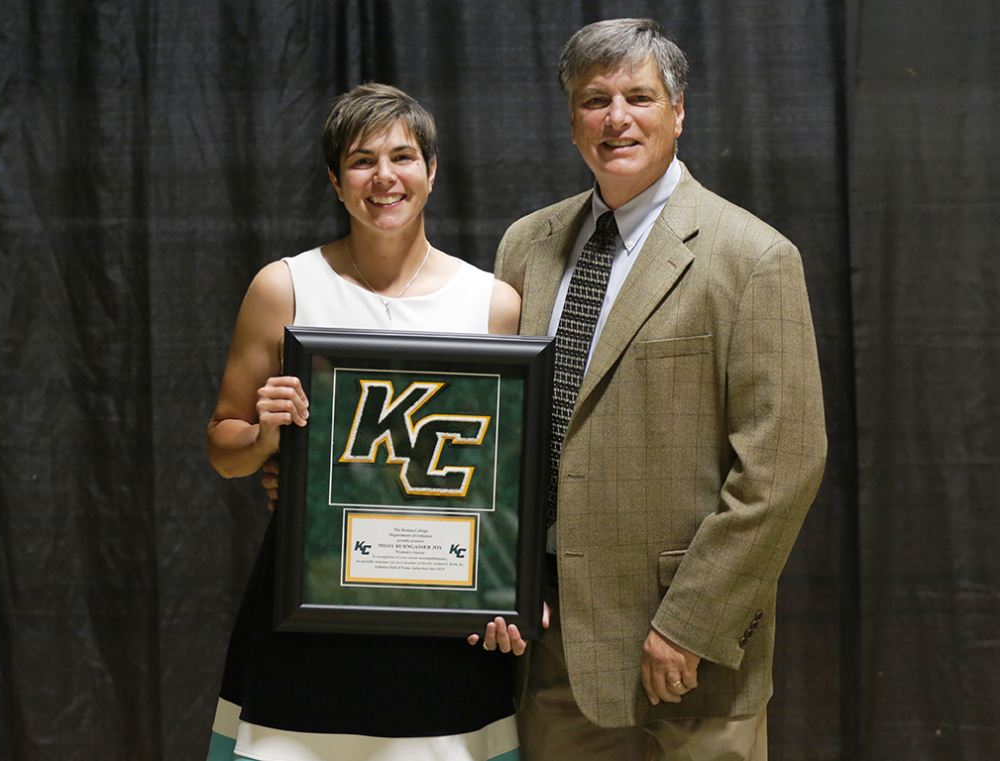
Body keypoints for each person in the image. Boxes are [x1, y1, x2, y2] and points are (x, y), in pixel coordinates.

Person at [493, 19, 827, 761]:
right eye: (594, 99)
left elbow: (781, 468)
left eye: (638, 97)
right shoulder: (527, 246)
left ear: (678, 112)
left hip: (685, 653)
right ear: (572, 119)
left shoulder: (752, 256)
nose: (616, 118)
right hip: (551, 648)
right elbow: (499, 429)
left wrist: (692, 623)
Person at [205, 83, 527, 761]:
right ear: (334, 179)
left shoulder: (491, 304)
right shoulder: (283, 287)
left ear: (431, 172)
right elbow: (223, 447)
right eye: (361, 159)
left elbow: (504, 485)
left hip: (439, 623)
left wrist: (510, 591)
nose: (384, 176)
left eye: (403, 156)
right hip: (306, 611)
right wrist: (266, 437)